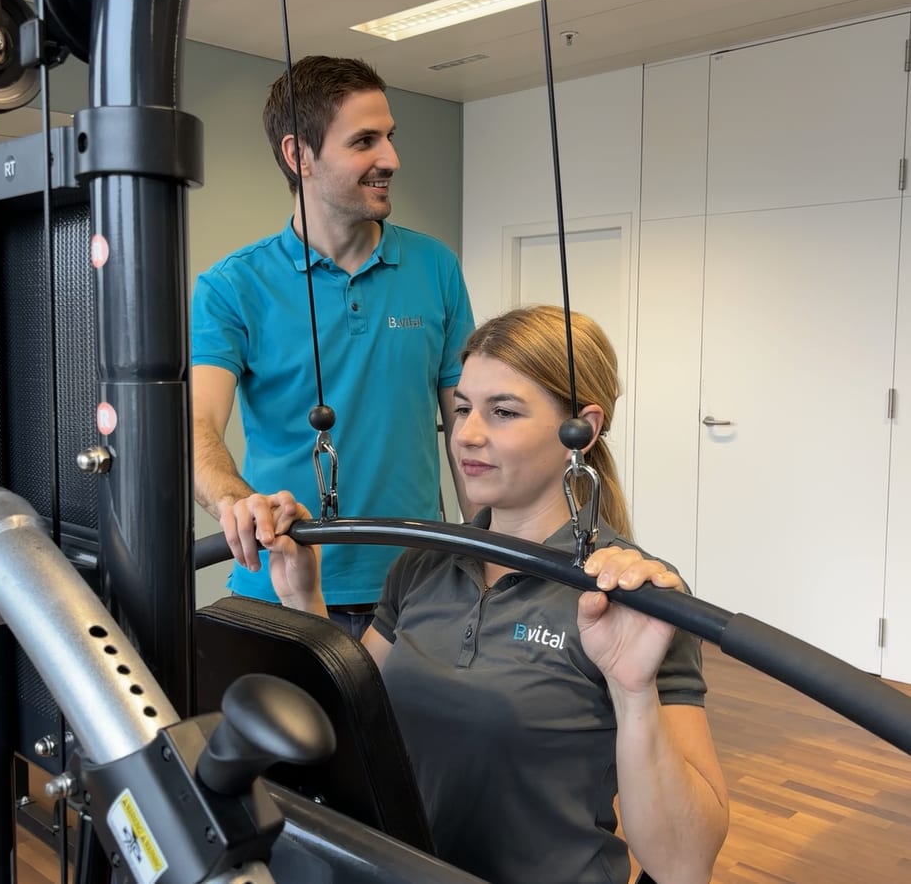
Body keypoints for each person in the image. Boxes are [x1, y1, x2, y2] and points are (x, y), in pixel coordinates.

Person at [241, 306, 730, 884]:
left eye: (503, 412)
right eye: (463, 408)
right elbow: (352, 724)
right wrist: (304, 598)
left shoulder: (630, 595)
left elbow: (684, 866)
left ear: (583, 429)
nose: (468, 434)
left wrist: (633, 690)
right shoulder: (425, 561)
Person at [192, 55, 475, 636]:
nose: (391, 159)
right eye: (365, 141)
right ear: (300, 155)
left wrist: (492, 563)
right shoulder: (231, 286)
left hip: (418, 588)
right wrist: (237, 502)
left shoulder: (435, 267)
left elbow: (469, 432)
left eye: (390, 137)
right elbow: (196, 425)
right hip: (280, 585)